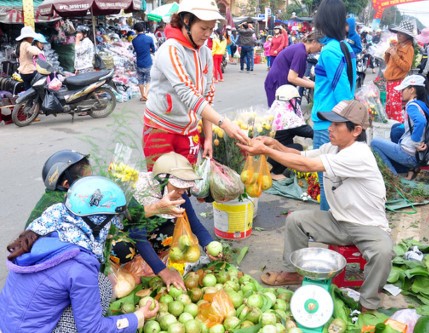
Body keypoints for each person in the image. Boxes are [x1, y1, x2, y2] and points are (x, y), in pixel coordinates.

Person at [237, 100, 393, 312]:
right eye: (331, 123)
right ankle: (294, 273)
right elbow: (301, 156)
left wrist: (266, 151)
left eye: (337, 125)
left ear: (356, 130)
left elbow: (307, 165)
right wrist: (274, 145)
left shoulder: (359, 154)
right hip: (338, 220)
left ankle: (368, 303)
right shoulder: (334, 148)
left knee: (383, 252)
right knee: (296, 220)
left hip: (368, 226)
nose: (330, 128)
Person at [0, 176, 159, 332]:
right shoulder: (79, 265)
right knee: (101, 286)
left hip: (9, 324)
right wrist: (137, 318)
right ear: (97, 222)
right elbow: (91, 329)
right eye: (110, 221)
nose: (112, 227)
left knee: (97, 285)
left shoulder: (46, 227)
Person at [143, 0, 249, 170]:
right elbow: (188, 93)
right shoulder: (170, 49)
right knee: (162, 183)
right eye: (203, 28)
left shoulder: (205, 52)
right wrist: (225, 124)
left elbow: (207, 95)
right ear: (186, 21)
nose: (207, 34)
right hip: (161, 127)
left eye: (211, 29)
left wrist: (208, 137)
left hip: (190, 130)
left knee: (186, 183)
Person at [112, 152, 221, 290]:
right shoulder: (138, 193)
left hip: (152, 232)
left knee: (172, 234)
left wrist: (208, 244)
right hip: (129, 233)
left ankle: (150, 257)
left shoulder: (179, 193)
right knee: (122, 249)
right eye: (177, 186)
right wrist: (163, 272)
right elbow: (137, 237)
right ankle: (138, 260)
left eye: (184, 187)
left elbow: (194, 223)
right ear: (161, 181)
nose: (181, 191)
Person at [312, 0, 356, 211]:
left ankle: (326, 231)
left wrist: (340, 125)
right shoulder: (345, 46)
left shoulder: (330, 51)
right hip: (334, 121)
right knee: (334, 183)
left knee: (326, 184)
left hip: (327, 123)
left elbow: (343, 94)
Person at [371, 75, 429, 178]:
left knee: (374, 143)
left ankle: (393, 177)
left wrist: (415, 142)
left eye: (403, 89)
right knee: (395, 129)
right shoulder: (422, 105)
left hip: (408, 154)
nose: (401, 92)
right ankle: (402, 172)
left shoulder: (412, 105)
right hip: (415, 155)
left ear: (411, 90)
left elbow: (420, 121)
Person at [264, 30, 322, 107]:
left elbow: (298, 75)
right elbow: (292, 78)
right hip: (278, 83)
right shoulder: (301, 52)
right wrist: (315, 85)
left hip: (279, 82)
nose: (320, 49)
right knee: (279, 114)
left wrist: (314, 84)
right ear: (314, 42)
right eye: (320, 46)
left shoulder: (300, 48)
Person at [268, 84, 313, 179]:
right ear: (290, 100)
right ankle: (275, 172)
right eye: (294, 100)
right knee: (298, 147)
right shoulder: (288, 118)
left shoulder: (274, 110)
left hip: (268, 153)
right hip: (273, 156)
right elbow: (309, 132)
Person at [384, 20, 415, 123]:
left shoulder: (409, 48)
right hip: (390, 81)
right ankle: (390, 129)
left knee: (395, 109)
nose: (399, 35)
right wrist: (387, 53)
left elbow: (406, 67)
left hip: (398, 82)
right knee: (389, 107)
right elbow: (388, 63)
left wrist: (395, 55)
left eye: (402, 33)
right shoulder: (397, 45)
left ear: (407, 35)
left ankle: (397, 130)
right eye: (398, 32)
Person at [132, 22, 155, 102]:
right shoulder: (149, 39)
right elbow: (153, 49)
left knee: (140, 80)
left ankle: (143, 96)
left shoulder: (134, 40)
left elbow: (135, 50)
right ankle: (146, 94)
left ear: (136, 30)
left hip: (139, 63)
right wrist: (149, 49)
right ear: (144, 29)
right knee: (149, 79)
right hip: (148, 62)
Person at [16, 26, 41, 90]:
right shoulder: (26, 44)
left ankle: (29, 100)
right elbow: (35, 51)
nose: (33, 38)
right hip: (29, 72)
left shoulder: (21, 44)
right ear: (27, 37)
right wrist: (40, 52)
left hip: (23, 72)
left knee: (28, 89)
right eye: (31, 36)